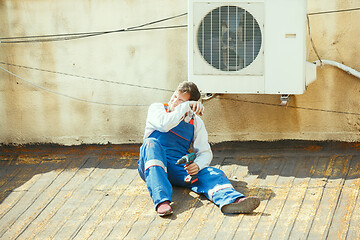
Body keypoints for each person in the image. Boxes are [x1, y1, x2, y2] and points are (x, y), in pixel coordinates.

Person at [138, 81, 260, 216]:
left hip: (177, 167)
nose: (174, 102)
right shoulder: (157, 109)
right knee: (151, 143)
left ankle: (232, 200)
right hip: (152, 166)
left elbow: (205, 153)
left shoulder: (196, 122)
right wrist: (184, 107)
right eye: (174, 97)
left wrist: (197, 165)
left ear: (190, 105)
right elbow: (164, 125)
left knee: (213, 173)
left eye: (181, 101)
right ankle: (162, 201)